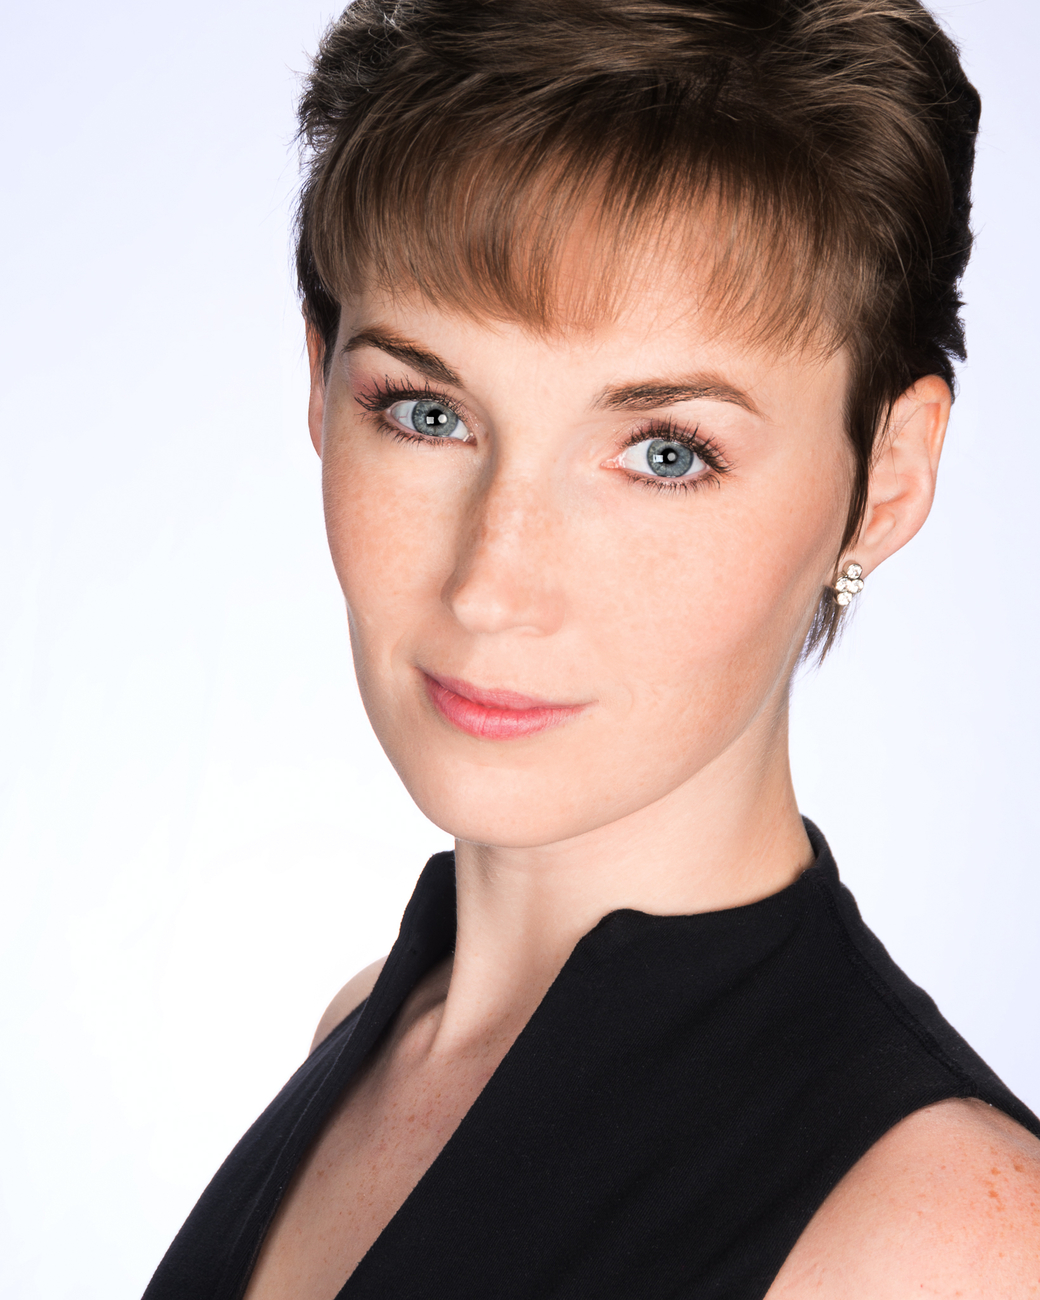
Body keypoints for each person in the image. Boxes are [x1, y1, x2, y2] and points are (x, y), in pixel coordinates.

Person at [143, 1, 1040, 1296]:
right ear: (320, 383)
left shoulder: (952, 1242)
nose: (492, 584)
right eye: (427, 412)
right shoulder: (365, 1035)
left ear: (887, 478)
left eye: (666, 453)